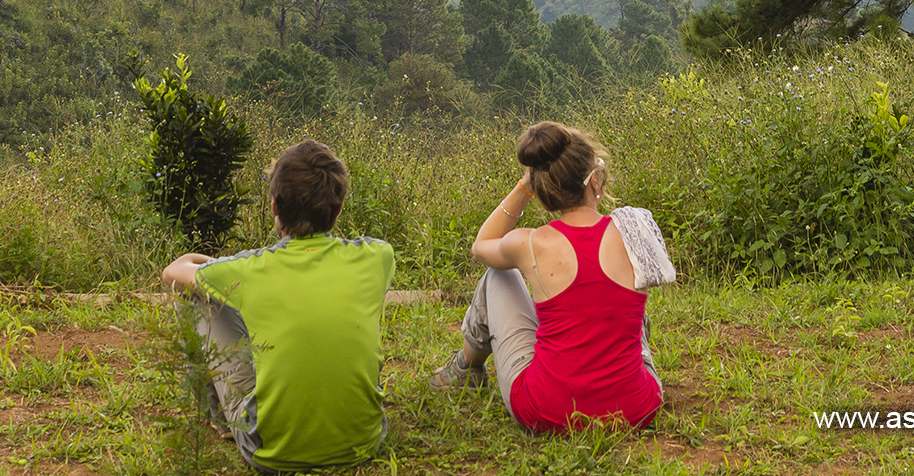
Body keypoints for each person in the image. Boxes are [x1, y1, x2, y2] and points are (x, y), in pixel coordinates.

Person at [161, 139, 396, 473]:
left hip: (270, 455)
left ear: (274, 206)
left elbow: (173, 272)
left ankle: (223, 422)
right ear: (339, 207)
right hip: (364, 443)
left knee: (193, 292)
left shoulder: (248, 269)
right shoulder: (378, 257)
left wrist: (216, 267)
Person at [429, 121, 666, 432]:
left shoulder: (529, 243)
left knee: (498, 276)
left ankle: (465, 369)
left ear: (543, 194)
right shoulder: (634, 230)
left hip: (546, 410)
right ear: (594, 181)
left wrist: (524, 187)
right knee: (635, 315)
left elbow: (481, 245)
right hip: (636, 408)